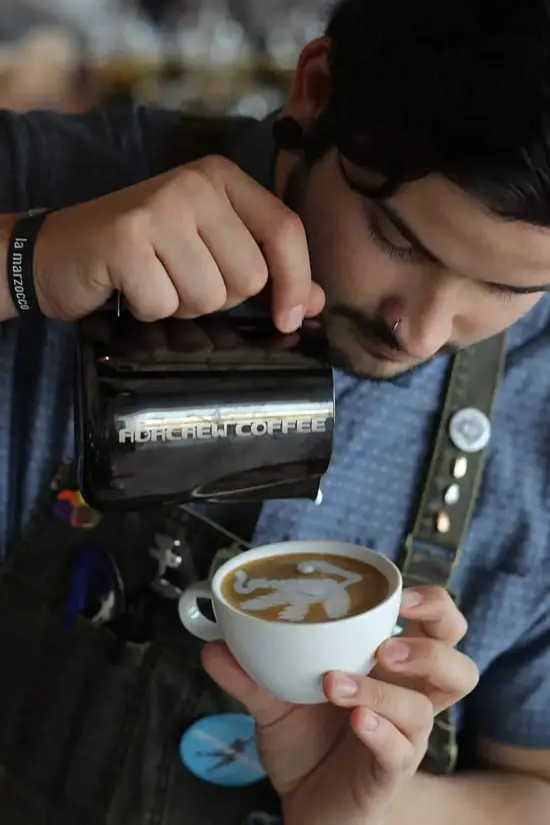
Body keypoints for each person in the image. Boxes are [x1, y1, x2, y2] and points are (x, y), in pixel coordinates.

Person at [0, 1, 549, 823]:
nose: (424, 330)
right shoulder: (54, 180)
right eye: (399, 238)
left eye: (510, 289)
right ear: (318, 89)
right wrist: (24, 258)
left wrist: (376, 806)